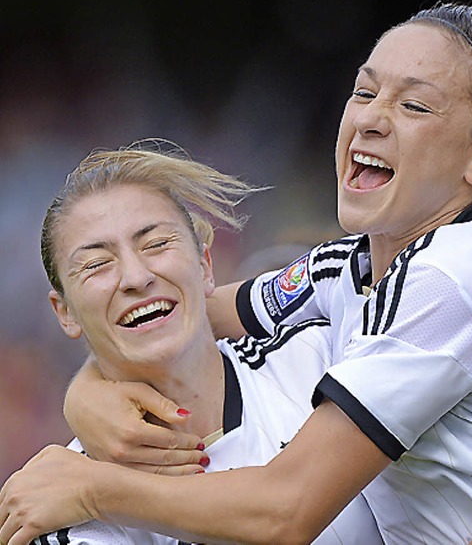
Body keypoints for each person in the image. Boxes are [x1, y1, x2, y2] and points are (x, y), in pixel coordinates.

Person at [0, 0, 472, 543]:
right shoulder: (346, 270)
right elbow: (177, 312)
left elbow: (288, 511)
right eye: (365, 90)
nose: (372, 117)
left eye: (415, 106)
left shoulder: (454, 283)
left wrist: (91, 488)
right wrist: (89, 392)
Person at [15, 143, 383, 544]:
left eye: (156, 243)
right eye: (97, 264)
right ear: (64, 312)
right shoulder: (63, 511)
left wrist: (97, 480)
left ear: (206, 266)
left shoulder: (321, 356)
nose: (136, 277)